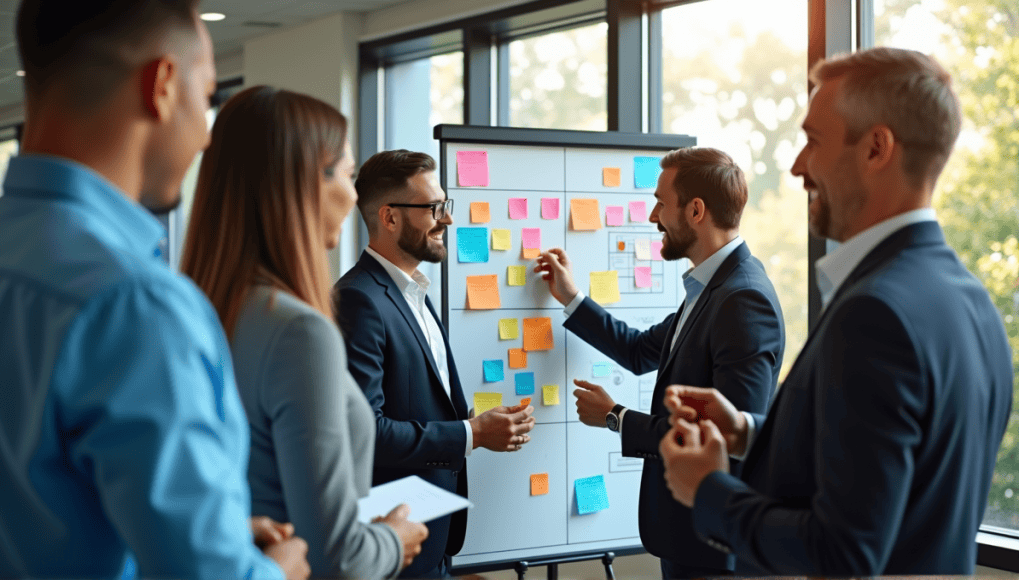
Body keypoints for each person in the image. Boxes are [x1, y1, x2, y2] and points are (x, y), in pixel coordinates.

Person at [659, 47, 1013, 575]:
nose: (799, 165)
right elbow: (895, 479)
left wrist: (709, 491)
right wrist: (749, 433)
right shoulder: (970, 300)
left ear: (876, 148)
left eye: (813, 141)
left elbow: (843, 553)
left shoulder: (875, 315)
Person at [0, 1, 308, 578]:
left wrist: (217, 530)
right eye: (207, 96)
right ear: (161, 85)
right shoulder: (133, 304)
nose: (206, 138)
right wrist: (278, 571)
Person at [181, 86, 429, 579]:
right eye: (345, 173)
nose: (355, 195)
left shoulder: (198, 307)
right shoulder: (298, 331)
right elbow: (336, 555)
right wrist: (391, 539)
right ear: (301, 184)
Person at [534, 147, 785, 578]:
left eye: (660, 203)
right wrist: (570, 297)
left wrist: (615, 417)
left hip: (711, 549)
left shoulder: (743, 299)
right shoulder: (711, 288)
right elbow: (637, 350)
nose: (653, 216)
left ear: (695, 210)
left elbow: (720, 436)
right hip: (686, 539)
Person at [336, 149, 537, 578]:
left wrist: (474, 423)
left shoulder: (416, 294)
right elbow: (366, 434)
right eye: (433, 208)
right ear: (390, 218)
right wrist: (473, 433)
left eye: (445, 206)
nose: (446, 219)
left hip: (435, 541)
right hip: (393, 543)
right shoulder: (359, 300)